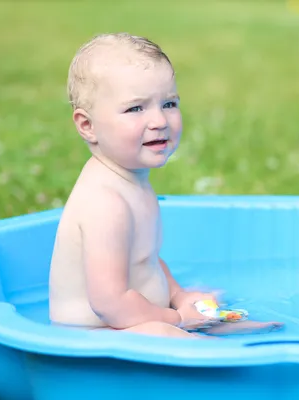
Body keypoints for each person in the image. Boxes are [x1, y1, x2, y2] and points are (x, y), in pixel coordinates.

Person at [48, 32, 283, 338]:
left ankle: (245, 339)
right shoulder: (105, 203)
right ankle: (224, 360)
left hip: (132, 320)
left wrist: (179, 296)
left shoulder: (130, 182)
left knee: (202, 312)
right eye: (136, 108)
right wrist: (176, 318)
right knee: (172, 336)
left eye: (169, 103)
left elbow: (145, 259)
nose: (159, 120)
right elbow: (109, 303)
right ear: (87, 126)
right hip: (91, 340)